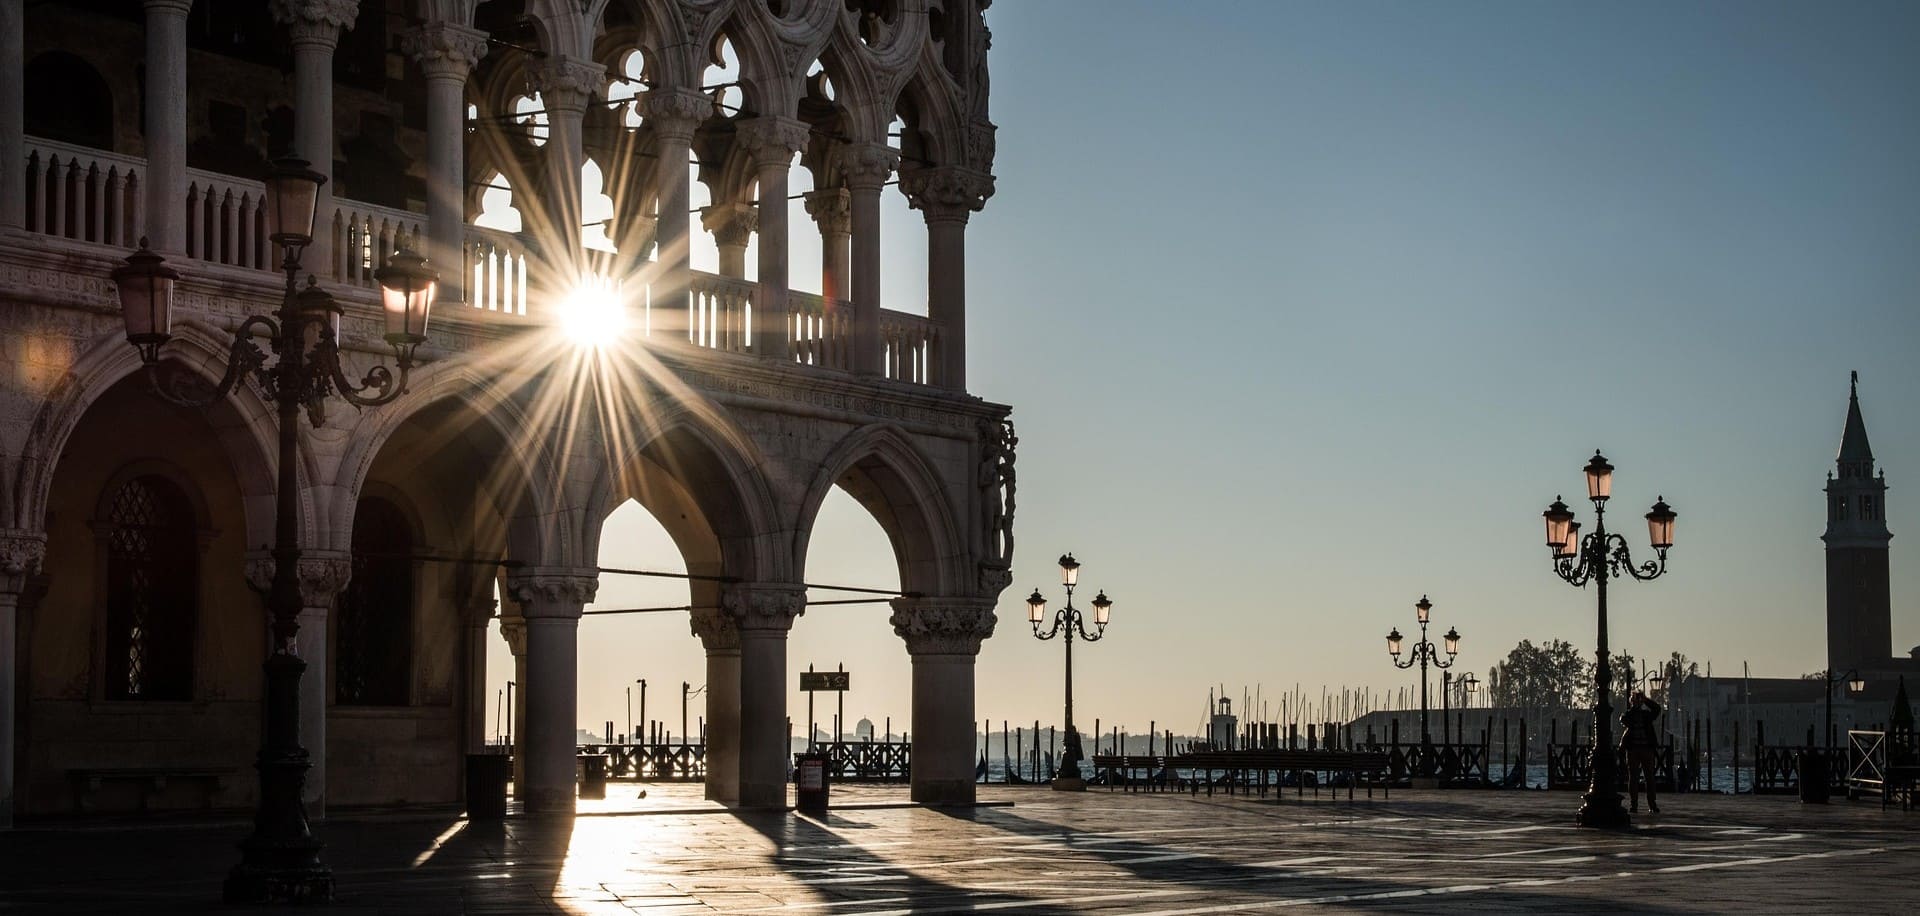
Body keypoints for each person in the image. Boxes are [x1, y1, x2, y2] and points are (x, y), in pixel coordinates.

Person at [1620, 690, 1663, 813]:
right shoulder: (1630, 715)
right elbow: (1623, 719)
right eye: (1636, 700)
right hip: (1634, 750)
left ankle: (1652, 804)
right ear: (1632, 702)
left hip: (1645, 749)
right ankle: (1635, 805)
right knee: (1634, 778)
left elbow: (1657, 709)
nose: (1637, 703)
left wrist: (1645, 700)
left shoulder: (1646, 715)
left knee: (1649, 777)